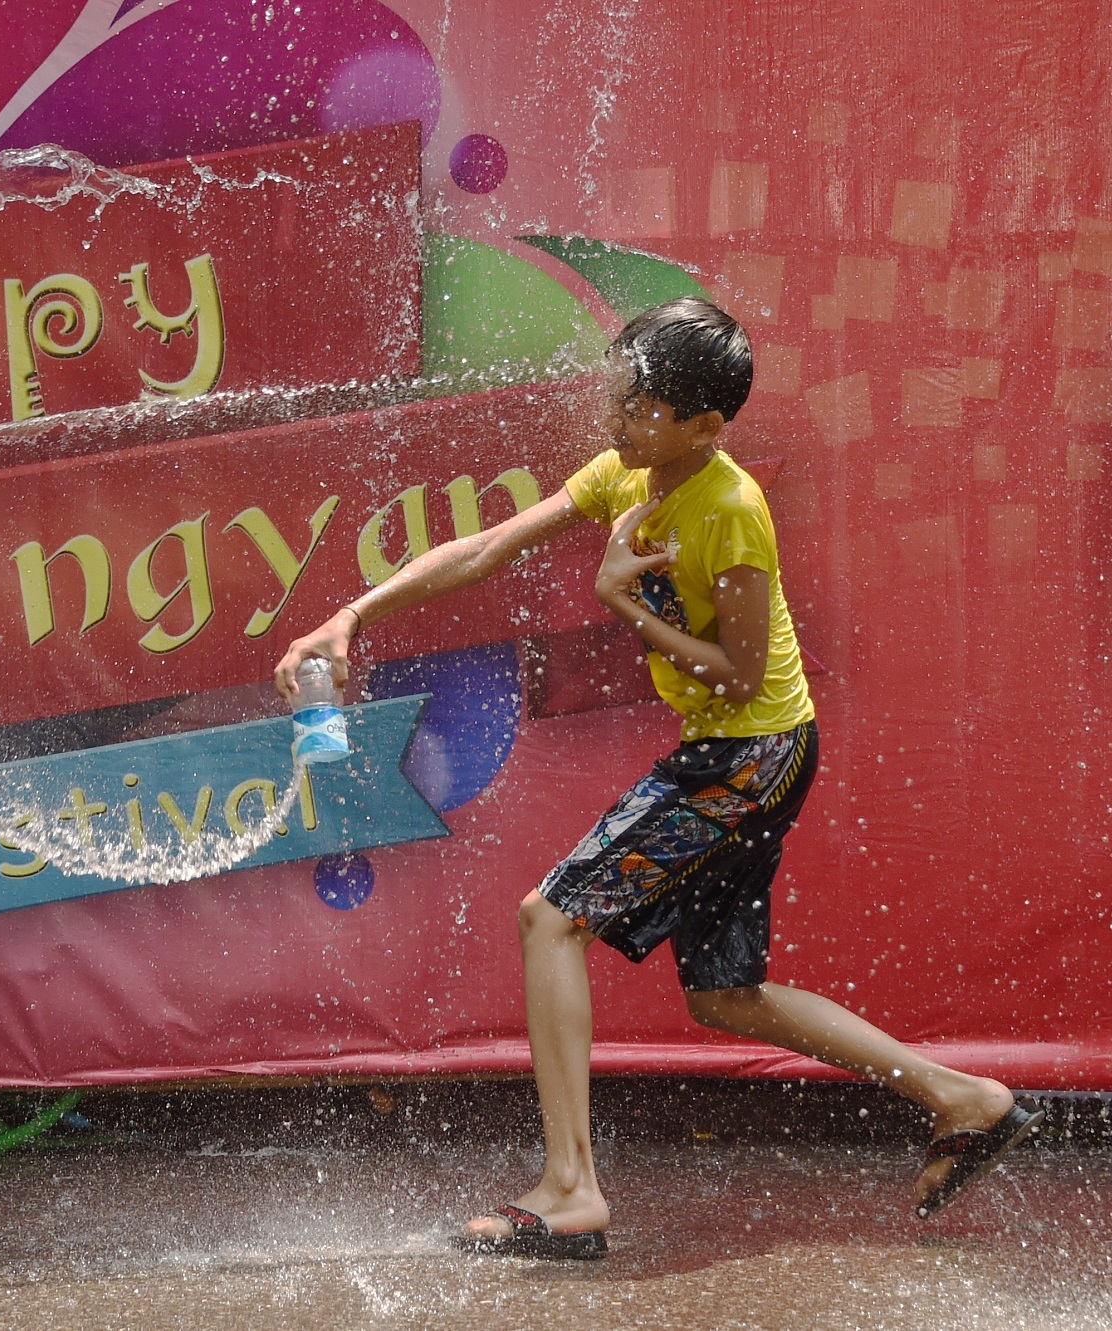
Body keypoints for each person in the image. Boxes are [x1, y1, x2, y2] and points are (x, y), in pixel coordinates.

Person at [273, 298, 1040, 1259]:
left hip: (747, 757)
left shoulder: (728, 513)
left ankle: (569, 1190)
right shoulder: (625, 474)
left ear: (706, 426)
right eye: (619, 393)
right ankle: (962, 1097)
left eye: (639, 408)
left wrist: (620, 600)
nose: (615, 418)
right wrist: (353, 614)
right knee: (724, 996)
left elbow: (741, 673)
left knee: (550, 916)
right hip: (748, 753)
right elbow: (487, 548)